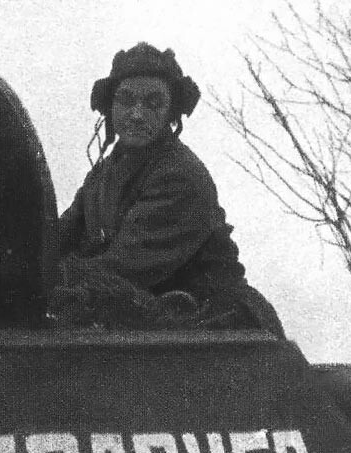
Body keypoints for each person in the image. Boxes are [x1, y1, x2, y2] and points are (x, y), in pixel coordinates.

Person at [53, 42, 283, 336]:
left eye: (152, 103)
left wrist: (52, 276)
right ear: (110, 108)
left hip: (218, 331)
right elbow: (61, 236)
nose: (136, 115)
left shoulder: (181, 175)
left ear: (170, 112)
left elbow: (125, 265)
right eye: (125, 100)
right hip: (158, 325)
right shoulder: (102, 176)